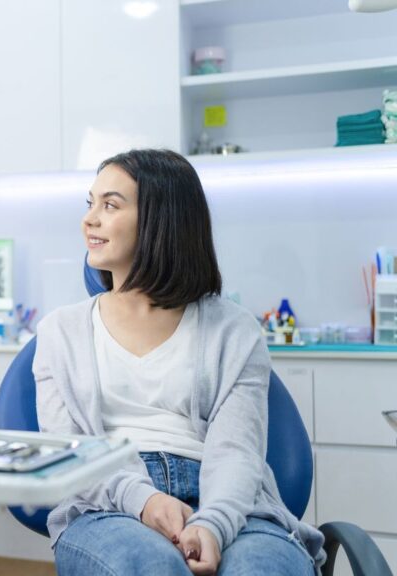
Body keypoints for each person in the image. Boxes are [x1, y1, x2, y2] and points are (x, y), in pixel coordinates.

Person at [32, 149, 325, 575]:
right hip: (108, 504)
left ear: (160, 221)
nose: (89, 219)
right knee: (152, 566)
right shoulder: (61, 332)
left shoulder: (233, 331)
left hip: (233, 504)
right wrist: (145, 500)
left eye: (110, 205)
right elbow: (73, 453)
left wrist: (214, 524)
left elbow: (236, 450)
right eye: (90, 203)